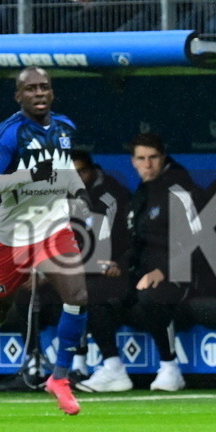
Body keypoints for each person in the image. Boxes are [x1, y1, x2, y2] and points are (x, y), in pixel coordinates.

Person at [0, 67, 89, 415]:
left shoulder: (64, 127)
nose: (39, 93)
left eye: (44, 87)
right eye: (30, 88)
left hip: (52, 228)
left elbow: (64, 168)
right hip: (11, 234)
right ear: (18, 96)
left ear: (52, 92)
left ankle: (59, 378)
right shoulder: (7, 135)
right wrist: (27, 175)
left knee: (77, 295)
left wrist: (78, 192)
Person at [78, 133, 203, 393]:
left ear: (163, 157)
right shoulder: (142, 192)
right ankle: (113, 368)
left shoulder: (180, 189)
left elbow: (197, 239)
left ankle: (170, 368)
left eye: (153, 158)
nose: (147, 164)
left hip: (182, 274)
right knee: (90, 293)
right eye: (141, 159)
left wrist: (163, 271)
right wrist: (118, 265)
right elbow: (135, 242)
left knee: (150, 295)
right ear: (133, 162)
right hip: (140, 272)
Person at [68, 150, 131, 383]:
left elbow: (107, 243)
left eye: (82, 171)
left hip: (115, 269)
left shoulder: (110, 196)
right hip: (82, 267)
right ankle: (70, 366)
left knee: (86, 293)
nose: (77, 177)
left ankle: (112, 365)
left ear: (92, 170)